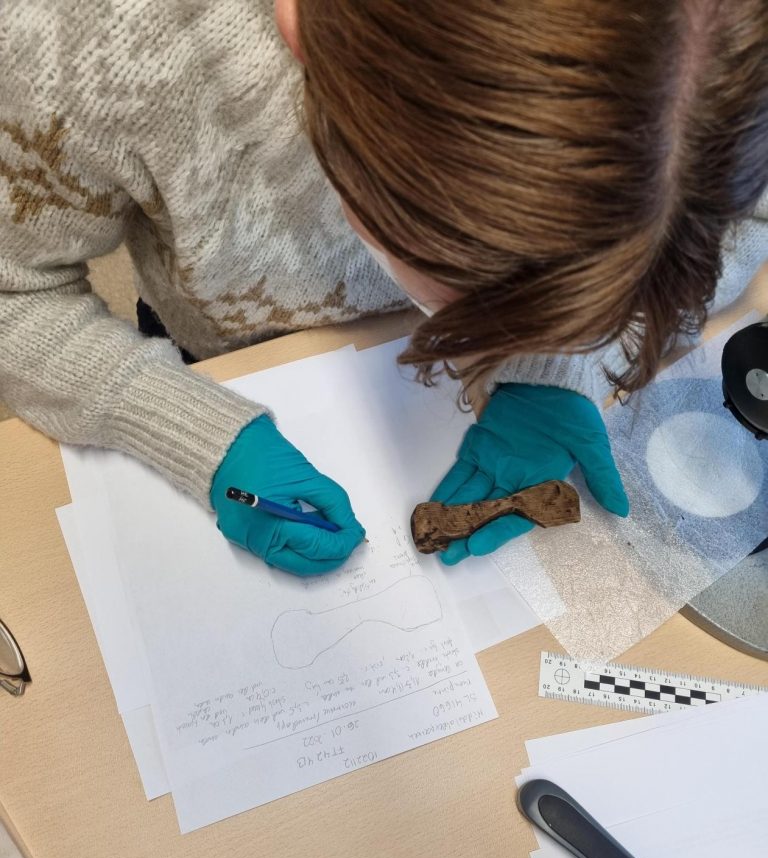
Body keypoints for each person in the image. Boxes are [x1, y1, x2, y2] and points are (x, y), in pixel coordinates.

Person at [1, 0, 766, 576]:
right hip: (225, 343)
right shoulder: (84, 39)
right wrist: (177, 423)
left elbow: (744, 227)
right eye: (475, 294)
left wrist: (562, 359)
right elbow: (13, 294)